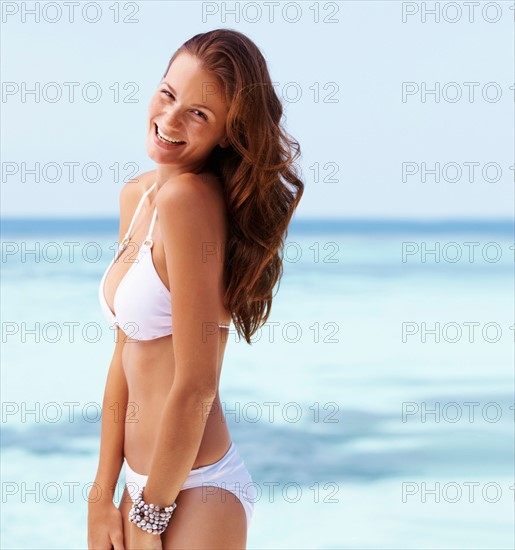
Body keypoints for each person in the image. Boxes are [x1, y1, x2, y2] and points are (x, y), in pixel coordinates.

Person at [87, 28, 304, 550]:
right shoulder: (139, 195)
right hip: (144, 487)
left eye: (199, 114)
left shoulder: (188, 201)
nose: (170, 119)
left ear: (228, 133)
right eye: (168, 94)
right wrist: (102, 493)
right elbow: (124, 352)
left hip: (196, 491)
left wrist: (150, 512)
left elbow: (197, 383)